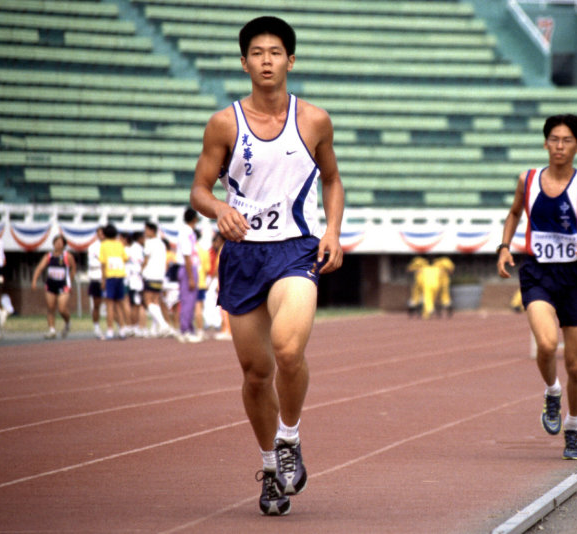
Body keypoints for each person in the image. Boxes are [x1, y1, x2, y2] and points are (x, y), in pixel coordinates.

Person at [189, 16, 344, 516]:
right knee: (257, 374)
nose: (267, 61)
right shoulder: (224, 124)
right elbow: (199, 189)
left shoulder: (315, 121)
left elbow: (333, 181)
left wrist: (333, 231)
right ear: (244, 62)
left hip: (296, 249)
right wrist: (220, 211)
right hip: (242, 255)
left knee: (288, 348)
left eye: (276, 52)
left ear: (291, 61)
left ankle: (290, 438)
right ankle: (271, 469)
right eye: (257, 53)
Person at [496, 114, 577, 460]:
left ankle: (573, 427)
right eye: (553, 139)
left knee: (576, 363)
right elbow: (515, 213)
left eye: (566, 140)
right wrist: (504, 246)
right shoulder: (528, 179)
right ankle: (552, 391)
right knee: (547, 345)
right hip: (537, 273)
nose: (559, 146)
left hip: (574, 277)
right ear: (545, 142)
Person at [31, 234, 76, 339]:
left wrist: (70, 280)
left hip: (63, 285)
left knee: (62, 308)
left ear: (64, 245)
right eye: (56, 242)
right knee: (50, 307)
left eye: (60, 243)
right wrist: (34, 280)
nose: (58, 245)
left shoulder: (67, 256)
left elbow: (73, 268)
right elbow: (40, 268)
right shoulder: (49, 256)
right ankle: (51, 330)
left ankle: (68, 322)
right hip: (51, 284)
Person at [142, 222, 173, 337]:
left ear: (151, 230)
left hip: (150, 274)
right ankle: (155, 329)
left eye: (146, 230)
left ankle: (164, 325)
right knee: (155, 301)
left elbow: (146, 259)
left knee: (148, 300)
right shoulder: (161, 243)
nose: (144, 232)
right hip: (160, 275)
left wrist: (142, 270)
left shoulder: (149, 242)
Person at [98, 223, 128, 340]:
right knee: (120, 304)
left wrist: (103, 279)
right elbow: (125, 258)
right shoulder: (120, 244)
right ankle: (122, 330)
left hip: (110, 277)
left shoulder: (103, 245)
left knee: (110, 305)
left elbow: (103, 263)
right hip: (120, 276)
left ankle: (110, 330)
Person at [175, 208, 201, 342]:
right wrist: (190, 276)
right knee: (187, 301)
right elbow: (186, 254)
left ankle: (189, 328)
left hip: (190, 267)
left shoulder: (189, 232)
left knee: (190, 301)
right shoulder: (186, 232)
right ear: (194, 219)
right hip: (187, 268)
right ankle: (185, 330)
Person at [126, 231, 147, 337]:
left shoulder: (131, 249)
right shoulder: (138, 249)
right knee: (137, 305)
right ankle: (135, 327)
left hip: (134, 279)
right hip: (136, 280)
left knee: (137, 304)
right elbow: (142, 263)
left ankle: (136, 327)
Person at [86, 227, 105, 339]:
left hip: (109, 278)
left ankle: (116, 327)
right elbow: (94, 262)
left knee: (114, 304)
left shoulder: (111, 245)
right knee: (97, 304)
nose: (101, 235)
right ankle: (96, 327)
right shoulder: (93, 247)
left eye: (103, 233)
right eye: (99, 233)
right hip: (96, 278)